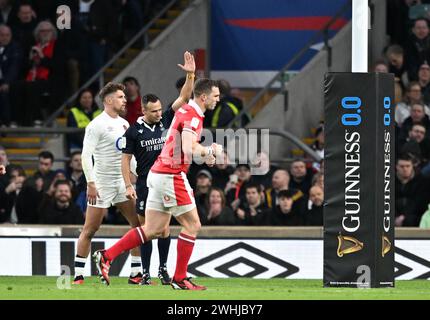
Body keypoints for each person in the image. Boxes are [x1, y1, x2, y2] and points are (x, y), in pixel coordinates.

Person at [93, 78, 222, 290]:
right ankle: (180, 278)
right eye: (216, 96)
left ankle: (107, 256)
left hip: (158, 173)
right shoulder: (193, 116)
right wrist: (209, 150)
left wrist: (190, 76)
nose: (218, 100)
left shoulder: (185, 110)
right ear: (204, 97)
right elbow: (189, 147)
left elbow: (184, 143)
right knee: (193, 225)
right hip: (171, 175)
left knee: (152, 229)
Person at [120, 51, 196, 285]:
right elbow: (125, 160)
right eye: (154, 110)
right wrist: (128, 185)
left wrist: (191, 75)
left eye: (160, 109)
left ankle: (163, 269)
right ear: (143, 110)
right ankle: (145, 272)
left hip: (167, 180)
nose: (159, 113)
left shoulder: (166, 120)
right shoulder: (133, 131)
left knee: (164, 230)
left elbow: (183, 98)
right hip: (144, 183)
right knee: (147, 228)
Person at [73, 82, 142, 285]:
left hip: (123, 183)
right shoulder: (96, 125)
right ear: (109, 100)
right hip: (101, 185)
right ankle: (78, 275)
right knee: (90, 229)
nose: (124, 100)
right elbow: (86, 156)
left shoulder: (125, 124)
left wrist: (143, 175)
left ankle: (136, 274)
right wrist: (91, 183)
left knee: (137, 226)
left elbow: (130, 157)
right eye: (120, 97)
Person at [0, 24, 22, 127]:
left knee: (5, 93)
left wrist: (6, 82)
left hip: (9, 80)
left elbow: (14, 67)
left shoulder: (15, 48)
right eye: (2, 35)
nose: (5, 38)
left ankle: (6, 123)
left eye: (7, 35)